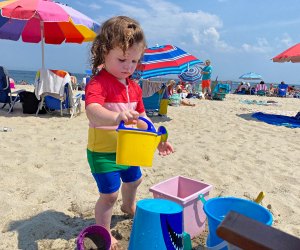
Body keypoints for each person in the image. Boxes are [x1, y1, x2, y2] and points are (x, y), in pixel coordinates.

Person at [85, 16, 174, 249]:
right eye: (122, 59)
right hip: (103, 152)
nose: (128, 67)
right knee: (109, 196)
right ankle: (104, 232)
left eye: (134, 61)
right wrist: (116, 117)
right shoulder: (98, 83)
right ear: (104, 53)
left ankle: (128, 206)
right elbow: (92, 111)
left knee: (135, 180)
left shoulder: (133, 87)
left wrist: (158, 140)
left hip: (129, 149)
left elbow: (144, 119)